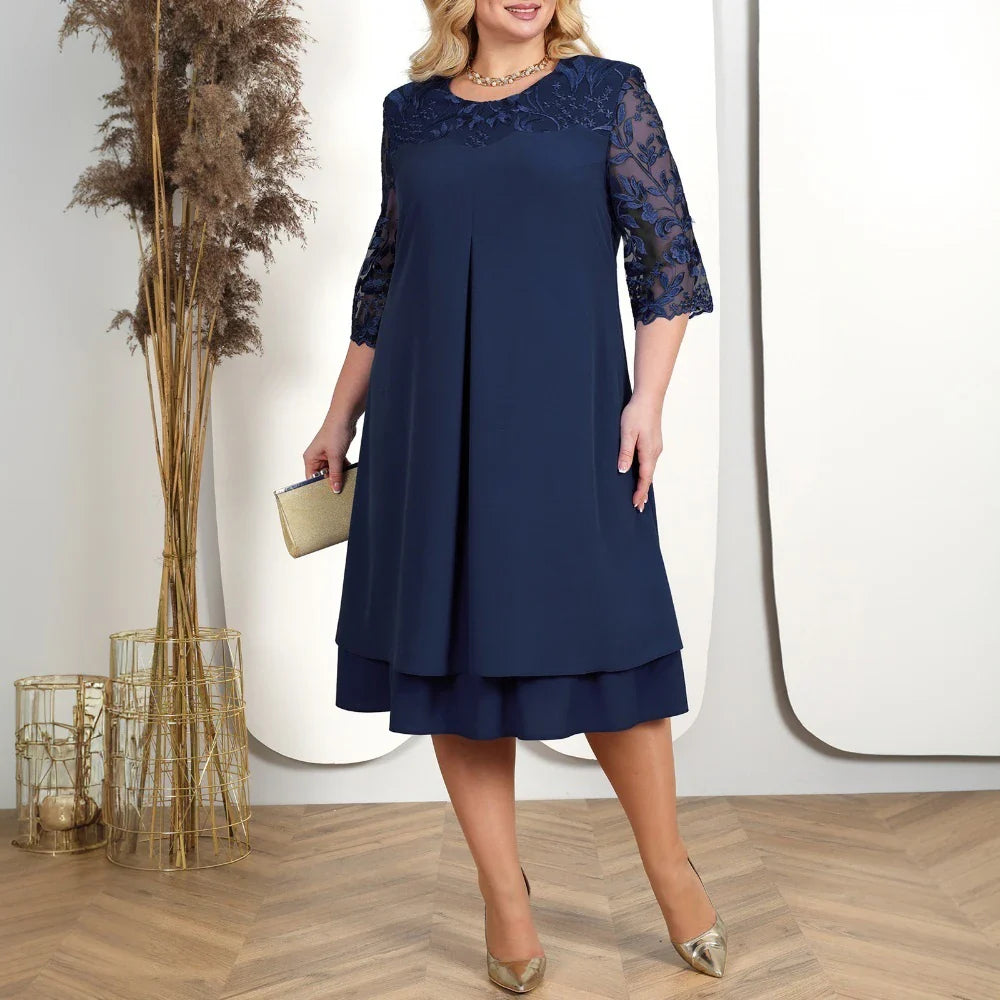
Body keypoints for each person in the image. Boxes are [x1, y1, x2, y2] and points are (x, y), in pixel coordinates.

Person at [304, 0, 724, 991]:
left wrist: (648, 401)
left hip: (568, 412)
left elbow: (665, 258)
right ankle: (505, 898)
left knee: (610, 641)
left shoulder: (606, 93)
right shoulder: (409, 111)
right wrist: (338, 416)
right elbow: (385, 275)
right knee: (451, 655)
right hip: (425, 419)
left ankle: (671, 873)